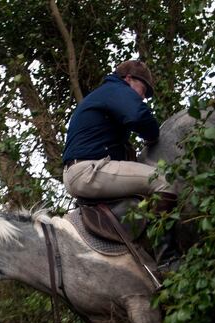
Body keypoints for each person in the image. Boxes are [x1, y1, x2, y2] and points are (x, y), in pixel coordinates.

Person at [62, 60, 176, 212]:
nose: (142, 97)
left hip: (79, 172)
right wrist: (152, 136)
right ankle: (153, 235)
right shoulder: (116, 89)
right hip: (88, 171)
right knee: (164, 180)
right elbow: (139, 117)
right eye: (143, 90)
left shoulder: (105, 94)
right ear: (128, 79)